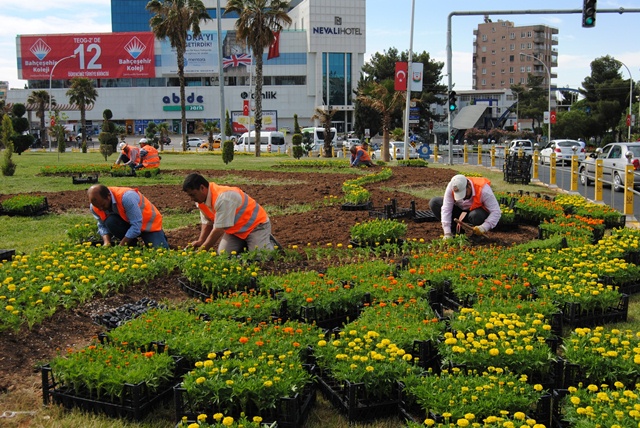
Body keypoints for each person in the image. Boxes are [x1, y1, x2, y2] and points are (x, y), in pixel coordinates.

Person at [182, 173, 275, 254]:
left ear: (202, 188)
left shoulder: (223, 198)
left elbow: (219, 229)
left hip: (256, 227)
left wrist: (202, 251)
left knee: (260, 256)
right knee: (224, 254)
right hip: (236, 231)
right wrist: (201, 241)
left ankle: (268, 241)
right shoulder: (201, 201)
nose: (191, 198)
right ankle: (249, 243)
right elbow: (207, 222)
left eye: (193, 194)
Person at [88, 184, 169, 248]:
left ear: (108, 196)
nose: (101, 209)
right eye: (98, 207)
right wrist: (107, 243)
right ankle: (134, 245)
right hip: (128, 224)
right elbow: (102, 225)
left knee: (160, 250)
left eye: (103, 205)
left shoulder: (127, 197)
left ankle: (158, 236)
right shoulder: (95, 206)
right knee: (110, 222)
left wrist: (121, 246)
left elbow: (136, 226)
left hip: (148, 225)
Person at [429, 174, 501, 239]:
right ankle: (454, 231)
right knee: (435, 202)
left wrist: (484, 227)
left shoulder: (483, 190)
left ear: (469, 185)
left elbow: (496, 212)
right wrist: (447, 232)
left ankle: (476, 235)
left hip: (476, 214)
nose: (462, 197)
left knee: (476, 215)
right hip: (459, 211)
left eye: (465, 193)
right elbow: (446, 208)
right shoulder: (452, 187)